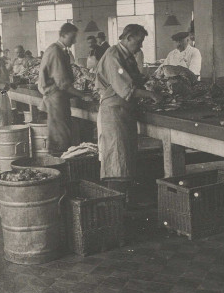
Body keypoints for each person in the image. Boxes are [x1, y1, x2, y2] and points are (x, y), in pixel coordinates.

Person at [95, 24, 163, 203]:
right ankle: (114, 206)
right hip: (114, 112)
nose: (140, 46)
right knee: (117, 160)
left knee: (125, 158)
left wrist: (153, 80)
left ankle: (123, 202)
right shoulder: (113, 56)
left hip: (125, 111)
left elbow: (136, 80)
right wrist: (151, 94)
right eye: (139, 42)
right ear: (129, 38)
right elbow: (126, 88)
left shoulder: (128, 57)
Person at [38, 23, 94, 156]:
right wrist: (83, 96)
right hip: (56, 97)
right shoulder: (56, 51)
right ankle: (61, 164)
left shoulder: (58, 50)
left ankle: (59, 160)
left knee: (59, 130)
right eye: (72, 37)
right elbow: (63, 84)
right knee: (61, 133)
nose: (74, 41)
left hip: (58, 96)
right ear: (63, 36)